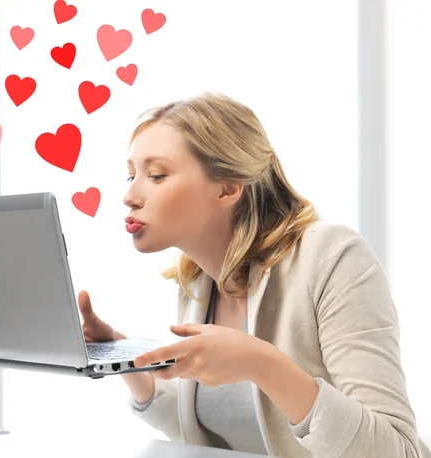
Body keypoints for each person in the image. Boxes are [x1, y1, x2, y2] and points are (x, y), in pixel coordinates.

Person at [77, 92, 431, 458]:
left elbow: (396, 450)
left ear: (228, 187)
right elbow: (220, 434)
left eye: (156, 175)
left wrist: (261, 364)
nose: (129, 195)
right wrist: (122, 358)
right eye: (131, 174)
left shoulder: (333, 256)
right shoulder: (198, 282)